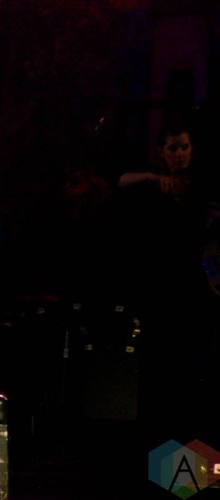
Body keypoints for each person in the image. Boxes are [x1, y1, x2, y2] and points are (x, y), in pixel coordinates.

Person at [103, 119, 219, 445]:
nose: (180, 154)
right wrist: (155, 178)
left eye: (184, 147)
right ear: (162, 152)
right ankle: (160, 458)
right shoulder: (152, 191)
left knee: (194, 375)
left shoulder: (203, 187)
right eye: (173, 148)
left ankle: (193, 460)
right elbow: (117, 181)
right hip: (162, 296)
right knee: (161, 375)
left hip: (196, 296)